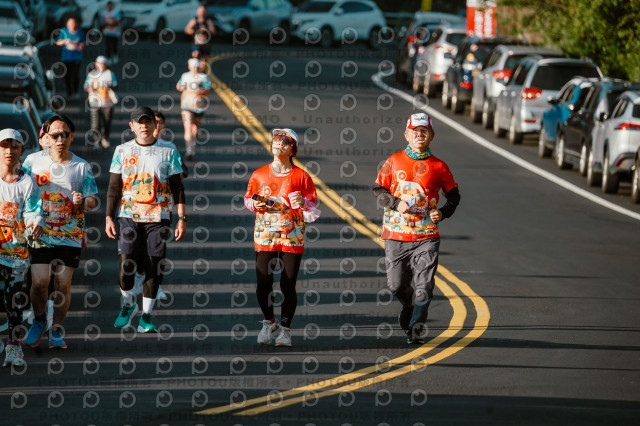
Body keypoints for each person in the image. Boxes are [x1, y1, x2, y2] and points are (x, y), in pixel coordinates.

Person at [373, 113, 460, 344]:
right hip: (396, 235)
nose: (419, 135)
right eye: (415, 131)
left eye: (424, 131)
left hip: (426, 235)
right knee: (396, 285)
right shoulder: (394, 161)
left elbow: (454, 196)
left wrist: (443, 212)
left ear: (431, 136)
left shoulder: (439, 166)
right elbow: (379, 190)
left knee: (425, 286)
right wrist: (395, 203)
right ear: (406, 135)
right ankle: (408, 305)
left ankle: (416, 328)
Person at [105, 107, 186, 333]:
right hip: (128, 215)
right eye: (139, 122)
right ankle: (128, 303)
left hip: (158, 216)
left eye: (148, 121)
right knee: (126, 266)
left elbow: (177, 187)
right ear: (131, 126)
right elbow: (114, 187)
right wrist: (109, 216)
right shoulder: (122, 150)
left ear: (155, 125)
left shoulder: (168, 150)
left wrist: (182, 218)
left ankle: (146, 316)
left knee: (154, 264)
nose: (144, 126)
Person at [22, 115, 98, 349]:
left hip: (69, 234)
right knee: (40, 282)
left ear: (71, 137)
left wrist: (82, 201)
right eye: (55, 135)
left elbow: (93, 201)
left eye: (65, 134)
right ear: (46, 137)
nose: (60, 139)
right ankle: (39, 320)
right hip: (40, 232)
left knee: (63, 284)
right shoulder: (32, 162)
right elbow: (19, 190)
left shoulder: (81, 167)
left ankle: (56, 329)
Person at [244, 129, 320, 347]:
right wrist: (255, 204)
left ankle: (285, 329)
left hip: (291, 234)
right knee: (263, 282)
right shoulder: (259, 174)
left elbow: (312, 205)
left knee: (288, 283)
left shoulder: (301, 176)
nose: (278, 143)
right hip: (266, 234)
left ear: (292, 150)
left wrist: (303, 203)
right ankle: (269, 322)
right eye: (276, 140)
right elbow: (248, 198)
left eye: (285, 141)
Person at [0, 129, 44, 366]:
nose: (9, 151)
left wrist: (35, 223)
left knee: (13, 299)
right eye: (4, 146)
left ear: (22, 151)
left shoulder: (27, 182)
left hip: (16, 251)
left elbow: (33, 210)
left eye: (14, 146)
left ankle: (13, 346)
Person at [176, 58, 212, 161]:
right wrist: (183, 87)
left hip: (199, 105)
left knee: (195, 128)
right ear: (189, 67)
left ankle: (193, 145)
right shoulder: (185, 76)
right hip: (186, 104)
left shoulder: (203, 77)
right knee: (187, 127)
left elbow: (208, 89)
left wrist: (200, 91)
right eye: (193, 67)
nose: (194, 69)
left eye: (196, 67)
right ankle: (189, 150)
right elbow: (178, 86)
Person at [84, 56, 118, 149]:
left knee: (107, 122)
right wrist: (89, 88)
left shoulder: (110, 74)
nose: (101, 65)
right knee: (95, 124)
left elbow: (116, 86)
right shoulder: (92, 74)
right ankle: (97, 141)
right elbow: (86, 86)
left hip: (107, 103)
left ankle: (105, 138)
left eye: (103, 64)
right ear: (96, 64)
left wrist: (108, 87)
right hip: (95, 103)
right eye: (99, 63)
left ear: (106, 65)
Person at [56, 16, 86, 100]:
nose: (72, 25)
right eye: (70, 23)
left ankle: (76, 92)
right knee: (67, 75)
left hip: (77, 56)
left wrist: (81, 46)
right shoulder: (64, 31)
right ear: (67, 24)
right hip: (66, 57)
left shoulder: (80, 32)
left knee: (75, 74)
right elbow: (58, 42)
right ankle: (69, 92)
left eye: (73, 23)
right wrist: (64, 41)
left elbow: (84, 42)